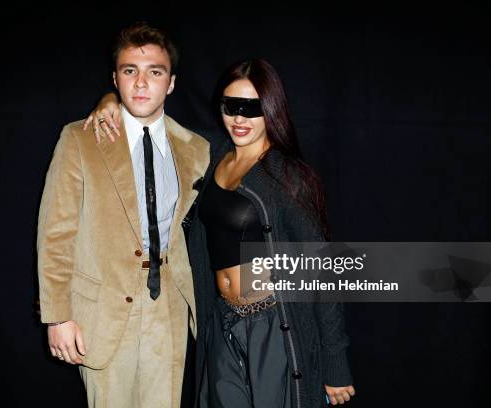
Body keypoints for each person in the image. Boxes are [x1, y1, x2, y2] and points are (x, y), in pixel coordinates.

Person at [85, 58, 356, 407]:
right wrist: (111, 101)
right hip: (222, 323)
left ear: (271, 109)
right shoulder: (211, 154)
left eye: (251, 107)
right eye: (231, 106)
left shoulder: (288, 176)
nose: (239, 118)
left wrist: (335, 363)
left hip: (274, 326)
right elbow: (155, 121)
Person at [36, 22, 209, 408]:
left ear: (172, 83)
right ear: (115, 78)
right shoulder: (80, 139)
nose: (142, 83)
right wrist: (57, 316)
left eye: (155, 72)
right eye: (130, 71)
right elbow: (56, 234)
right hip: (104, 307)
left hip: (170, 305)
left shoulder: (197, 150)